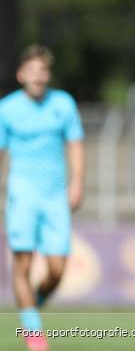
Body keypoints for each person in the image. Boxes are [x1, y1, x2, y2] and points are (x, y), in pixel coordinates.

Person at [0, 46, 85, 351]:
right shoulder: (7, 109)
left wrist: (77, 183)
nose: (38, 76)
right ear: (21, 75)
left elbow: (75, 144)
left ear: (48, 75)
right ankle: (34, 335)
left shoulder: (63, 104)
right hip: (23, 194)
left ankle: (30, 307)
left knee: (57, 269)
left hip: (54, 197)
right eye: (32, 70)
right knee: (22, 262)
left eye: (43, 70)